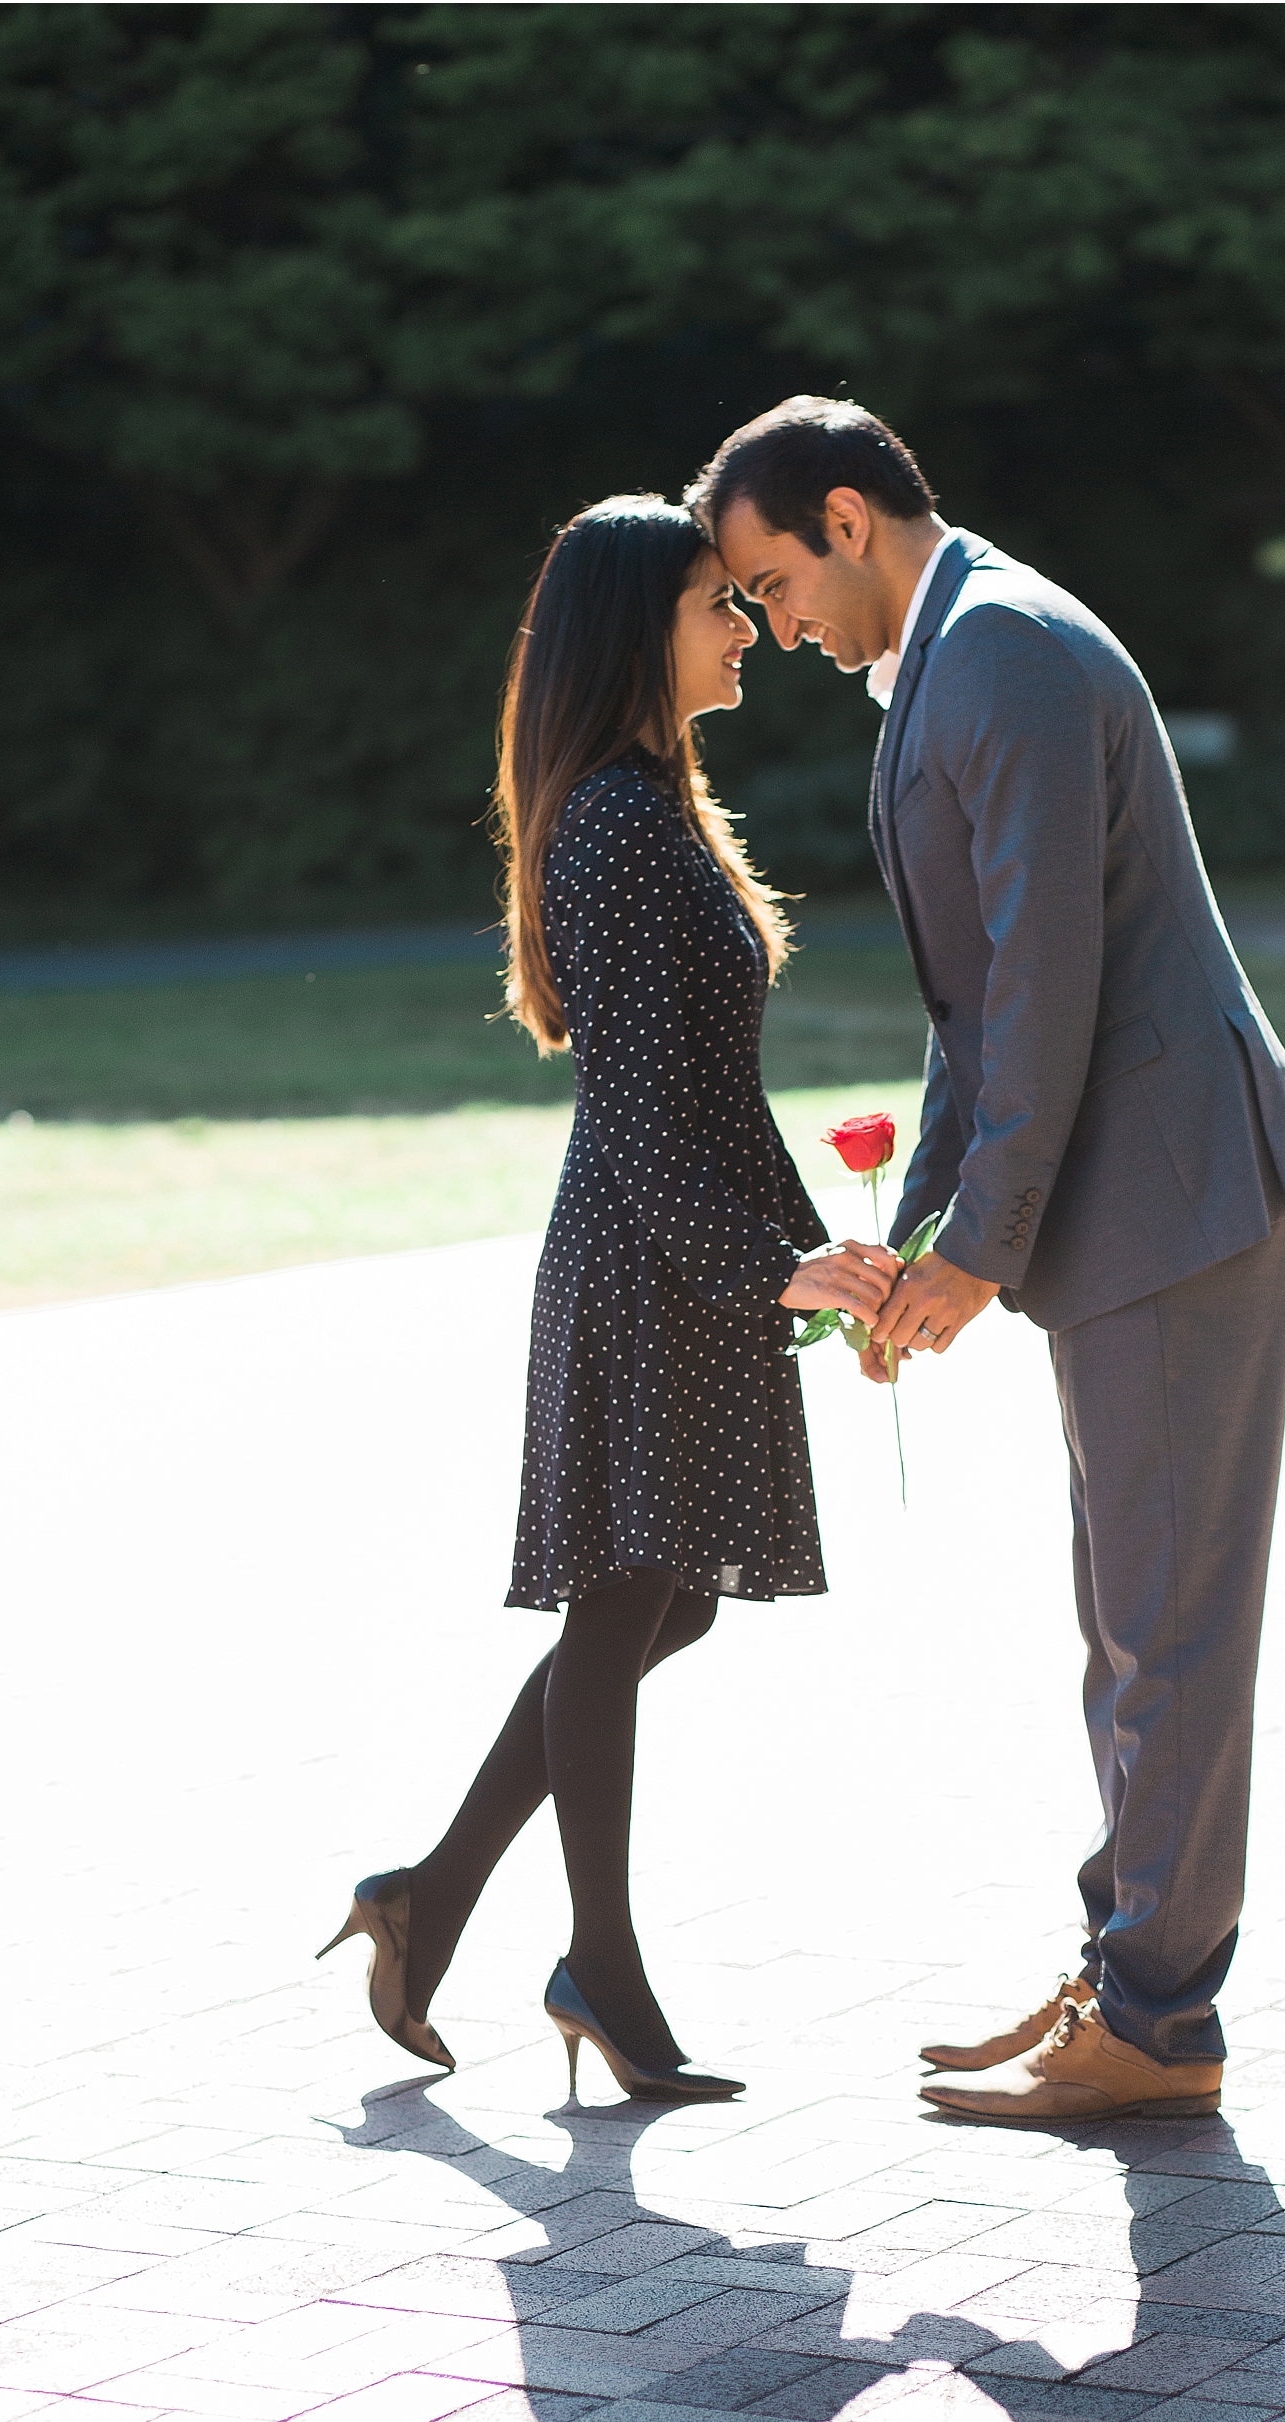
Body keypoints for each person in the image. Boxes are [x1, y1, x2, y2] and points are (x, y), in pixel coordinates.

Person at [698, 400, 1285, 2129]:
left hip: (1174, 1200)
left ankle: (1158, 2020)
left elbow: (1046, 985)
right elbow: (976, 1002)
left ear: (846, 518)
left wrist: (977, 1255)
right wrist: (924, 1236)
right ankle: (1128, 1973)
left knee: (1169, 1625)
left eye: (768, 583)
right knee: (1126, 1618)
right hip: (1135, 1203)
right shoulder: (960, 651)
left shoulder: (1000, 655)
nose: (771, 625)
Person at [320, 496, 898, 2101]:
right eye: (722, 603)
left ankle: (428, 1899)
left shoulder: (653, 803)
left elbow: (708, 1089)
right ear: (639, 627)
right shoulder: (623, 824)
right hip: (651, 1261)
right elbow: (647, 1112)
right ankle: (601, 1968)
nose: (749, 629)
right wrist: (765, 1266)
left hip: (678, 1245)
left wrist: (813, 1259)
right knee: (632, 1597)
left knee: (665, 1598)